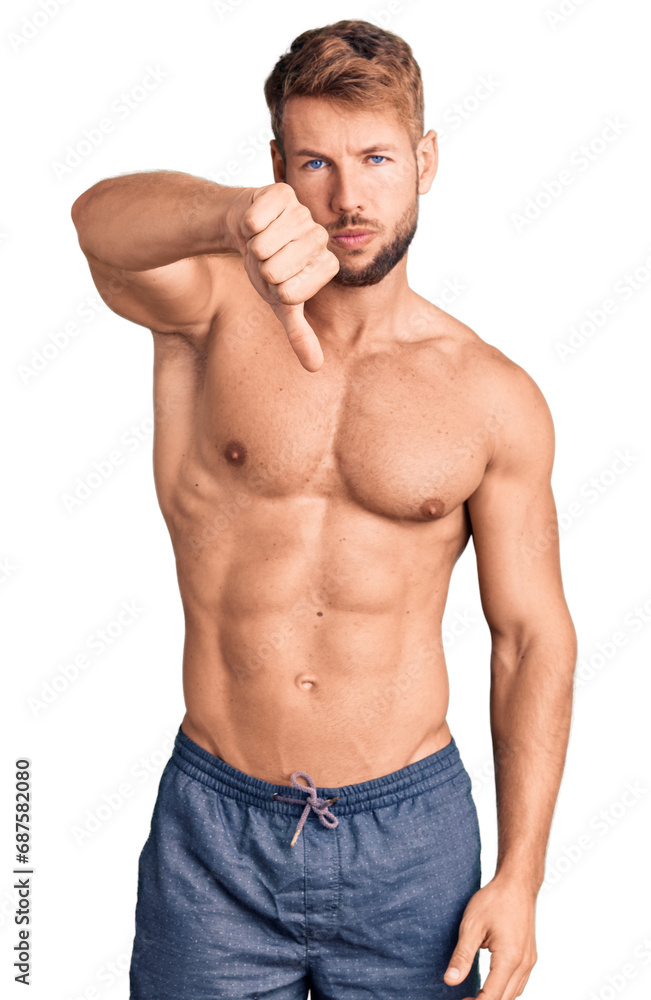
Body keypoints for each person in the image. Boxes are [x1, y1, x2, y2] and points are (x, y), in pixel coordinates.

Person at [71, 18, 577, 1000]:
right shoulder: (208, 311)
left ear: (425, 161)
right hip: (216, 832)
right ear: (277, 169)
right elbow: (96, 220)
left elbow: (530, 638)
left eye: (377, 158)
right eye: (315, 163)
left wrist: (522, 874)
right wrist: (233, 217)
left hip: (413, 841)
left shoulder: (492, 395)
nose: (348, 198)